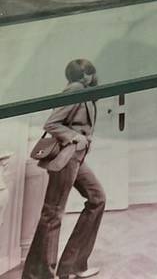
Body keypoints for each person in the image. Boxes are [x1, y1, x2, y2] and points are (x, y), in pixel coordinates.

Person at [22, 59, 105, 279]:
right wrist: (76, 137)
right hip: (65, 158)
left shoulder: (84, 92)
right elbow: (51, 123)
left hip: (75, 158)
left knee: (97, 198)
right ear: (84, 75)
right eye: (90, 72)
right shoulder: (75, 90)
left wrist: (82, 139)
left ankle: (72, 265)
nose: (94, 76)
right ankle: (39, 275)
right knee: (53, 213)